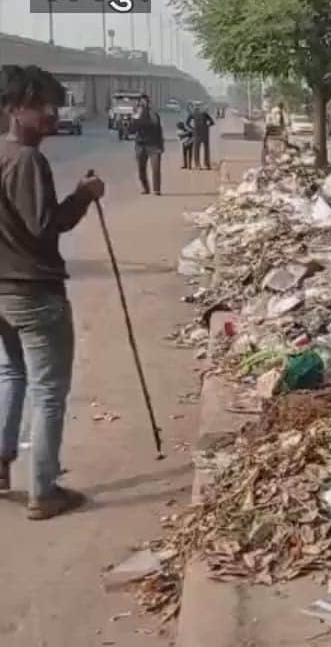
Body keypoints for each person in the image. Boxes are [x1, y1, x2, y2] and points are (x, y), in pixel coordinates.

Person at [0, 65, 105, 520]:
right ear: (11, 109)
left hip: (2, 291)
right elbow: (46, 229)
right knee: (48, 390)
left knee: (13, 375)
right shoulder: (25, 161)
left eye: (54, 104)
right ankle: (44, 491)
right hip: (33, 290)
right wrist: (83, 195)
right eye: (40, 104)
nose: (51, 113)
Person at [131, 95, 164, 195]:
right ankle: (146, 188)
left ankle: (156, 189)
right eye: (141, 103)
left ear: (149, 104)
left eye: (145, 103)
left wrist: (160, 146)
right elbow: (132, 130)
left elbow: (158, 129)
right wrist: (134, 118)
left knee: (156, 168)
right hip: (140, 145)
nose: (143, 105)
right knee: (141, 169)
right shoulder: (136, 114)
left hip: (154, 145)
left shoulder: (153, 114)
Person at [185, 103, 215, 170]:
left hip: (197, 133)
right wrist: (207, 126)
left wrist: (192, 128)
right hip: (205, 133)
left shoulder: (192, 114)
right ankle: (207, 164)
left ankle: (197, 164)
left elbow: (187, 123)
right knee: (206, 149)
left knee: (196, 149)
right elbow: (212, 122)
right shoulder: (204, 113)